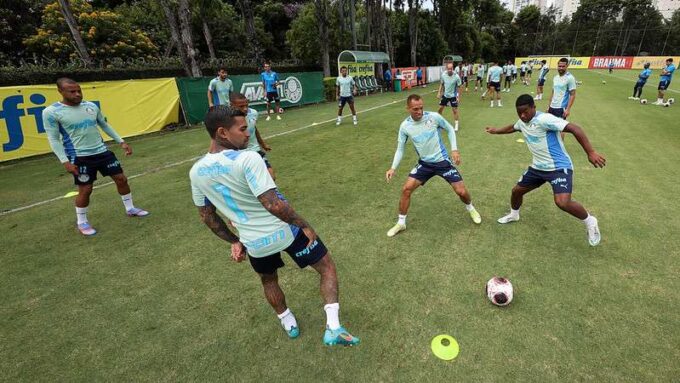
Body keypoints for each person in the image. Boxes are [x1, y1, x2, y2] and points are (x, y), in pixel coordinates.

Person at [189, 105, 360, 346]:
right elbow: (273, 205)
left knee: (269, 281)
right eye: (243, 128)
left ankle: (287, 320)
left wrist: (235, 241)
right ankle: (333, 327)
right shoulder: (248, 158)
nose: (248, 133)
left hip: (254, 244)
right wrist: (305, 225)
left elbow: (207, 216)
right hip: (285, 232)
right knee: (326, 267)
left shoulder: (196, 172)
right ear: (222, 133)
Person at [485, 94, 606, 246]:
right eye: (519, 112)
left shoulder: (545, 119)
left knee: (562, 202)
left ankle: (590, 221)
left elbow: (575, 128)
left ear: (533, 107)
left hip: (559, 167)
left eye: (526, 111)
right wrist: (496, 131)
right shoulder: (522, 122)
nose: (522, 115)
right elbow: (512, 127)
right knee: (516, 191)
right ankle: (514, 214)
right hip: (538, 168)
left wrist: (591, 152)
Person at [43, 78, 149, 236]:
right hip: (80, 157)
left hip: (102, 152)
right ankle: (82, 222)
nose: (77, 94)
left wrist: (121, 142)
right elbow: (53, 139)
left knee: (121, 179)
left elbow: (104, 124)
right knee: (86, 189)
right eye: (72, 92)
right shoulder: (51, 112)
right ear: (60, 91)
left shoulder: (91, 106)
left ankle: (130, 208)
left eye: (79, 90)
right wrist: (65, 161)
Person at [384, 94, 482, 237]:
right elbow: (400, 148)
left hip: (443, 162)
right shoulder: (405, 126)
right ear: (408, 108)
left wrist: (454, 149)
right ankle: (401, 223)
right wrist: (393, 168)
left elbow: (449, 129)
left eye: (421, 108)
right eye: (415, 109)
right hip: (424, 164)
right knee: (406, 189)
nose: (419, 112)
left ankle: (471, 208)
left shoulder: (434, 117)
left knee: (461, 191)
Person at [230, 93, 276, 180]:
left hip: (255, 150)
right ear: (232, 105)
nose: (245, 109)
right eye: (241, 106)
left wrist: (263, 144)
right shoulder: (228, 118)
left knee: (271, 177)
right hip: (239, 154)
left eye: (247, 105)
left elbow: (254, 128)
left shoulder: (253, 113)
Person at [437, 63, 462, 131]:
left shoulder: (456, 76)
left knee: (454, 110)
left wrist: (458, 97)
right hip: (445, 95)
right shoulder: (443, 75)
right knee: (440, 109)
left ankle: (456, 125)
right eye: (448, 69)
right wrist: (439, 92)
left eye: (451, 68)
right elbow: (441, 84)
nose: (450, 70)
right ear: (446, 69)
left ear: (453, 68)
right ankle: (440, 123)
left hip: (453, 96)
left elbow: (459, 87)